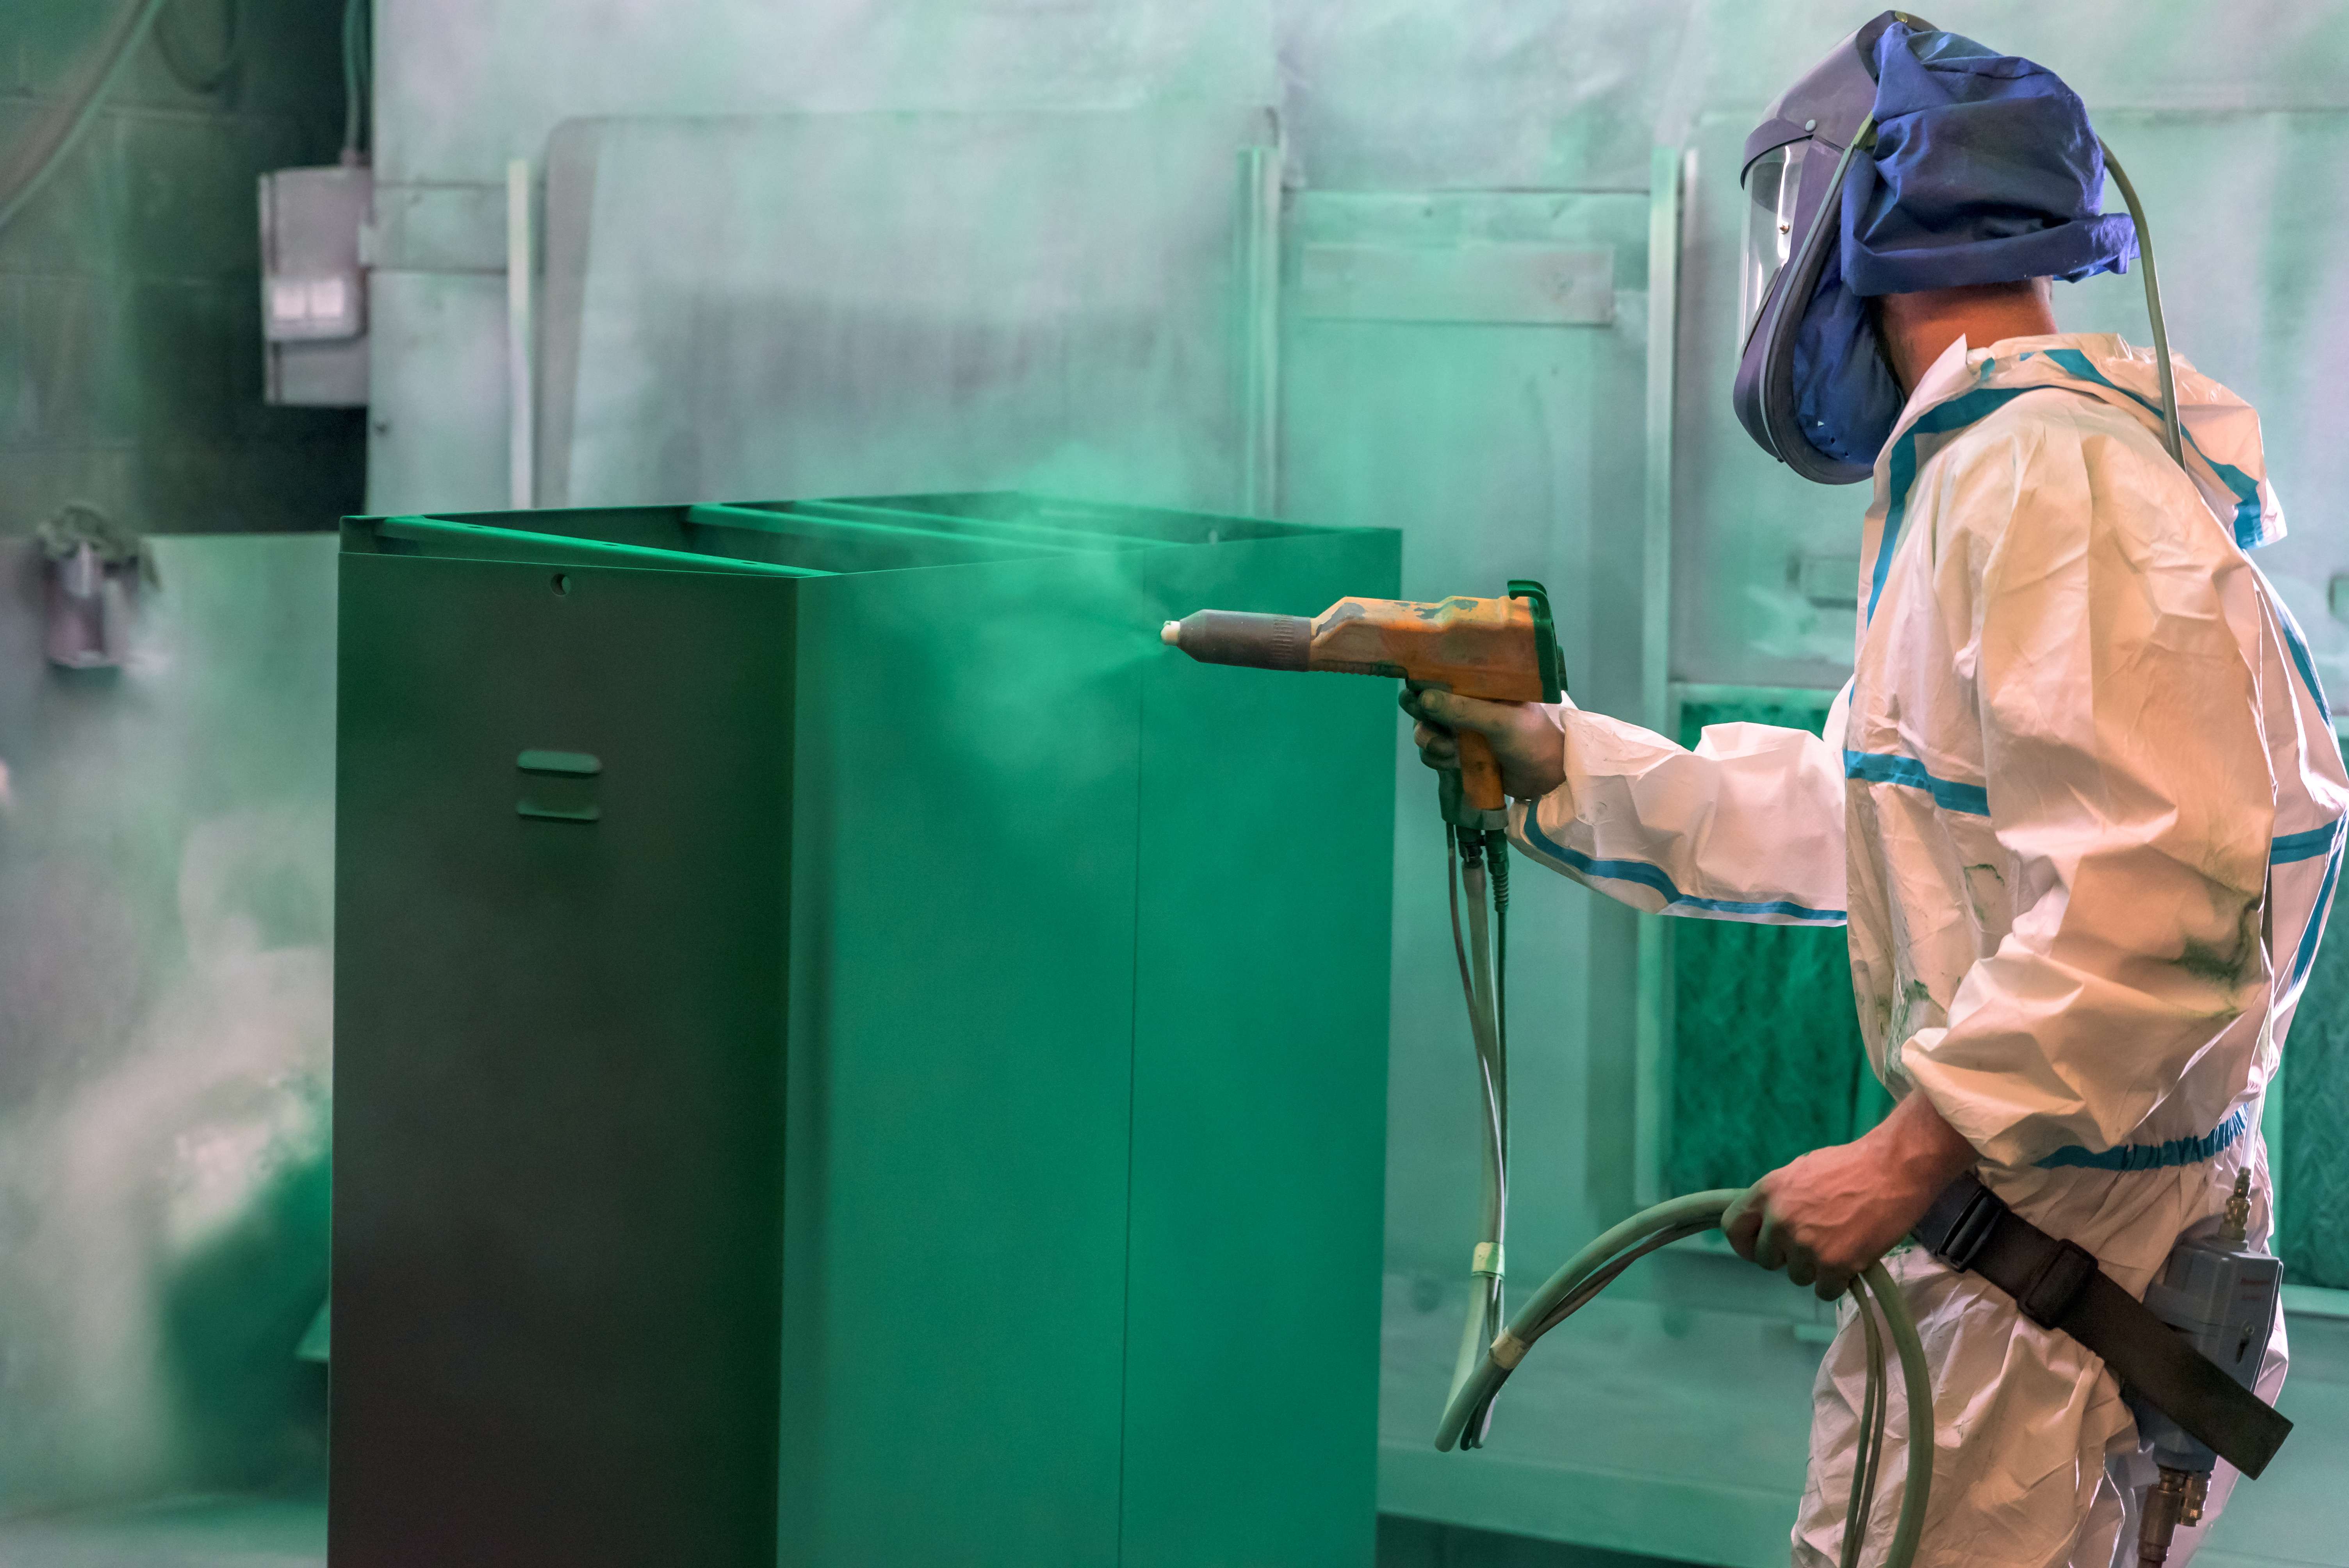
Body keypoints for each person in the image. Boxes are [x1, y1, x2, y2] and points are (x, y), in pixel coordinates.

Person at [1406, 14, 2349, 1568]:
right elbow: (1895, 821)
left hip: (2045, 1279)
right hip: (2048, 1255)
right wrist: (1571, 765)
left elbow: (2164, 893)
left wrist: (1905, 1154)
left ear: (1861, 229)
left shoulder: (2048, 480)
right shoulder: (2018, 467)